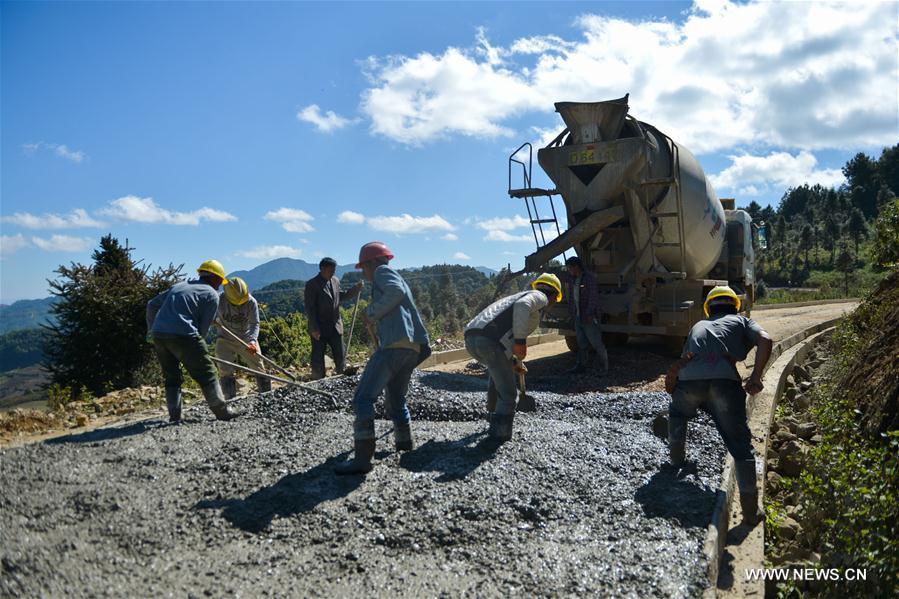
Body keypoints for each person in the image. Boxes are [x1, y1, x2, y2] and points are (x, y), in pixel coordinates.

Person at [665, 285, 773, 524]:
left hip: (689, 383)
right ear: (735, 305)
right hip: (724, 384)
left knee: (678, 412)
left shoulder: (698, 326)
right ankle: (750, 511)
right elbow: (765, 339)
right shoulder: (742, 321)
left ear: (708, 308)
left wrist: (677, 388)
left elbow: (684, 363)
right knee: (739, 444)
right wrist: (756, 377)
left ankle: (676, 460)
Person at [335, 242, 430, 475]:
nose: (363, 273)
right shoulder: (391, 275)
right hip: (412, 347)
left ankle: (363, 459)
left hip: (395, 346)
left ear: (370, 263)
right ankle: (404, 443)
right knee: (396, 397)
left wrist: (371, 312)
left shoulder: (382, 272)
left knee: (363, 399)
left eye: (363, 268)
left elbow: (394, 292)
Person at [463, 273, 563, 442]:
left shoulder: (516, 296)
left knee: (497, 378)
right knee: (509, 395)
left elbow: (506, 332)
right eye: (555, 300)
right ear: (553, 294)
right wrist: (520, 342)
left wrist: (514, 361)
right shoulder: (539, 297)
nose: (552, 304)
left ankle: (493, 418)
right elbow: (523, 306)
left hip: (472, 338)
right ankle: (498, 437)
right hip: (489, 341)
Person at [146, 259, 239, 423]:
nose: (219, 284)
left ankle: (174, 416)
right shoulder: (211, 294)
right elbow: (203, 330)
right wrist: (196, 352)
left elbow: (152, 304)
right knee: (208, 372)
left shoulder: (179, 286)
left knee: (171, 376)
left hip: (159, 335)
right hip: (185, 335)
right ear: (214, 278)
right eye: (219, 280)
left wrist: (151, 330)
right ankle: (221, 411)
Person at [304, 257, 363, 379]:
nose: (333, 273)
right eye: (331, 270)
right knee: (318, 357)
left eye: (334, 270)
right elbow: (310, 308)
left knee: (340, 355)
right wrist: (314, 328)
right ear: (322, 269)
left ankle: (341, 377)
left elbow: (340, 296)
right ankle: (318, 380)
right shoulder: (312, 284)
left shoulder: (335, 281)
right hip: (319, 328)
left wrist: (355, 290)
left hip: (335, 326)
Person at [214, 276, 270, 399]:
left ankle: (267, 395)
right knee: (224, 368)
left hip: (246, 338)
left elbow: (255, 323)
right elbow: (206, 314)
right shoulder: (218, 300)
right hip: (224, 338)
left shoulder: (251, 302)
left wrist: (252, 341)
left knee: (258, 365)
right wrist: (210, 319)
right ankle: (230, 399)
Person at [564, 256, 608, 375]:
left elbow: (593, 297)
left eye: (570, 268)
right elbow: (572, 298)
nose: (569, 270)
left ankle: (604, 367)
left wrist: (589, 313)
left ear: (576, 267)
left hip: (588, 317)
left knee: (596, 343)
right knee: (581, 343)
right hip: (578, 317)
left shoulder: (589, 278)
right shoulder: (573, 280)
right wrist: (571, 314)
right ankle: (581, 366)